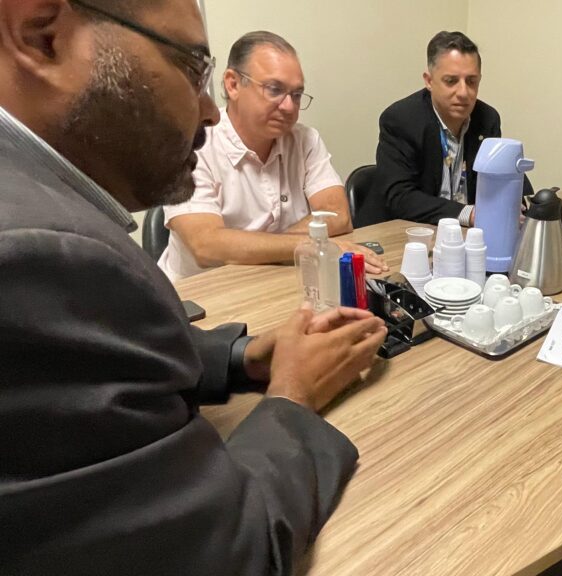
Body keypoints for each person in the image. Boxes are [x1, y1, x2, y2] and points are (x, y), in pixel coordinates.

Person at [0, 1, 388, 575]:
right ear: (41, 34)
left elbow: (80, 355)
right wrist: (292, 395)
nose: (207, 111)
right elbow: (229, 554)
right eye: (189, 67)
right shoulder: (42, 255)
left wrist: (239, 358)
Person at [158, 30, 386, 281]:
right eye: (274, 89)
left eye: (296, 95)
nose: (288, 106)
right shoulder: (193, 143)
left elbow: (338, 216)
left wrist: (258, 248)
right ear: (233, 84)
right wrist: (304, 245)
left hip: (276, 282)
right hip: (202, 291)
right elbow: (206, 245)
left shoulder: (305, 140)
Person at [355, 30, 532, 228]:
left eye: (471, 81)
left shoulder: (487, 119)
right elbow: (401, 198)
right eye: (451, 81)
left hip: (465, 235)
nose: (463, 92)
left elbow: (502, 178)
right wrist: (469, 214)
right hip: (403, 233)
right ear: (429, 81)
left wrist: (520, 204)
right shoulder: (401, 119)